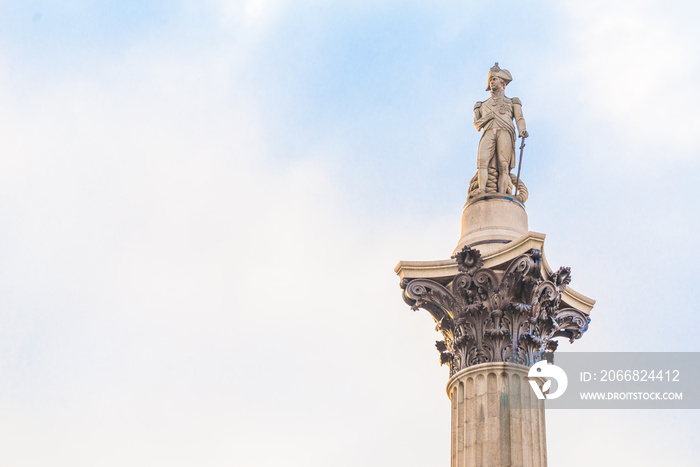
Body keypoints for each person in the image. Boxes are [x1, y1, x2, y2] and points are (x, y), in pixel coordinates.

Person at [473, 63, 528, 194]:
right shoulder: (481, 105)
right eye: (490, 80)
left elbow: (519, 118)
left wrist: (522, 130)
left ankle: (502, 194)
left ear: (502, 82)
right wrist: (489, 117)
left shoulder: (512, 102)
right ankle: (481, 190)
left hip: (505, 132)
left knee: (504, 166)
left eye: (494, 79)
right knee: (483, 163)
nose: (492, 82)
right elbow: (477, 124)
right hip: (488, 132)